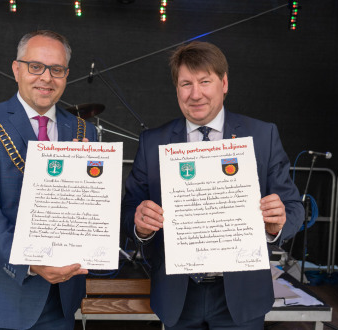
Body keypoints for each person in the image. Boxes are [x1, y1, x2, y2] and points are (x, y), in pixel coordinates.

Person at [121, 41, 304, 329]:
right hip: (178, 295)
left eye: (205, 81)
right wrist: (139, 224)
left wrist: (275, 225)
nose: (196, 94)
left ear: (224, 82)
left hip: (241, 295)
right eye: (186, 84)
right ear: (176, 89)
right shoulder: (152, 142)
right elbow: (129, 209)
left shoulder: (262, 135)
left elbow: (293, 207)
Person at [0, 30, 97, 329]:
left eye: (56, 70)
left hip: (58, 306)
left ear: (66, 75)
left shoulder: (84, 132)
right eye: (35, 67)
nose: (46, 78)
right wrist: (29, 262)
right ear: (16, 69)